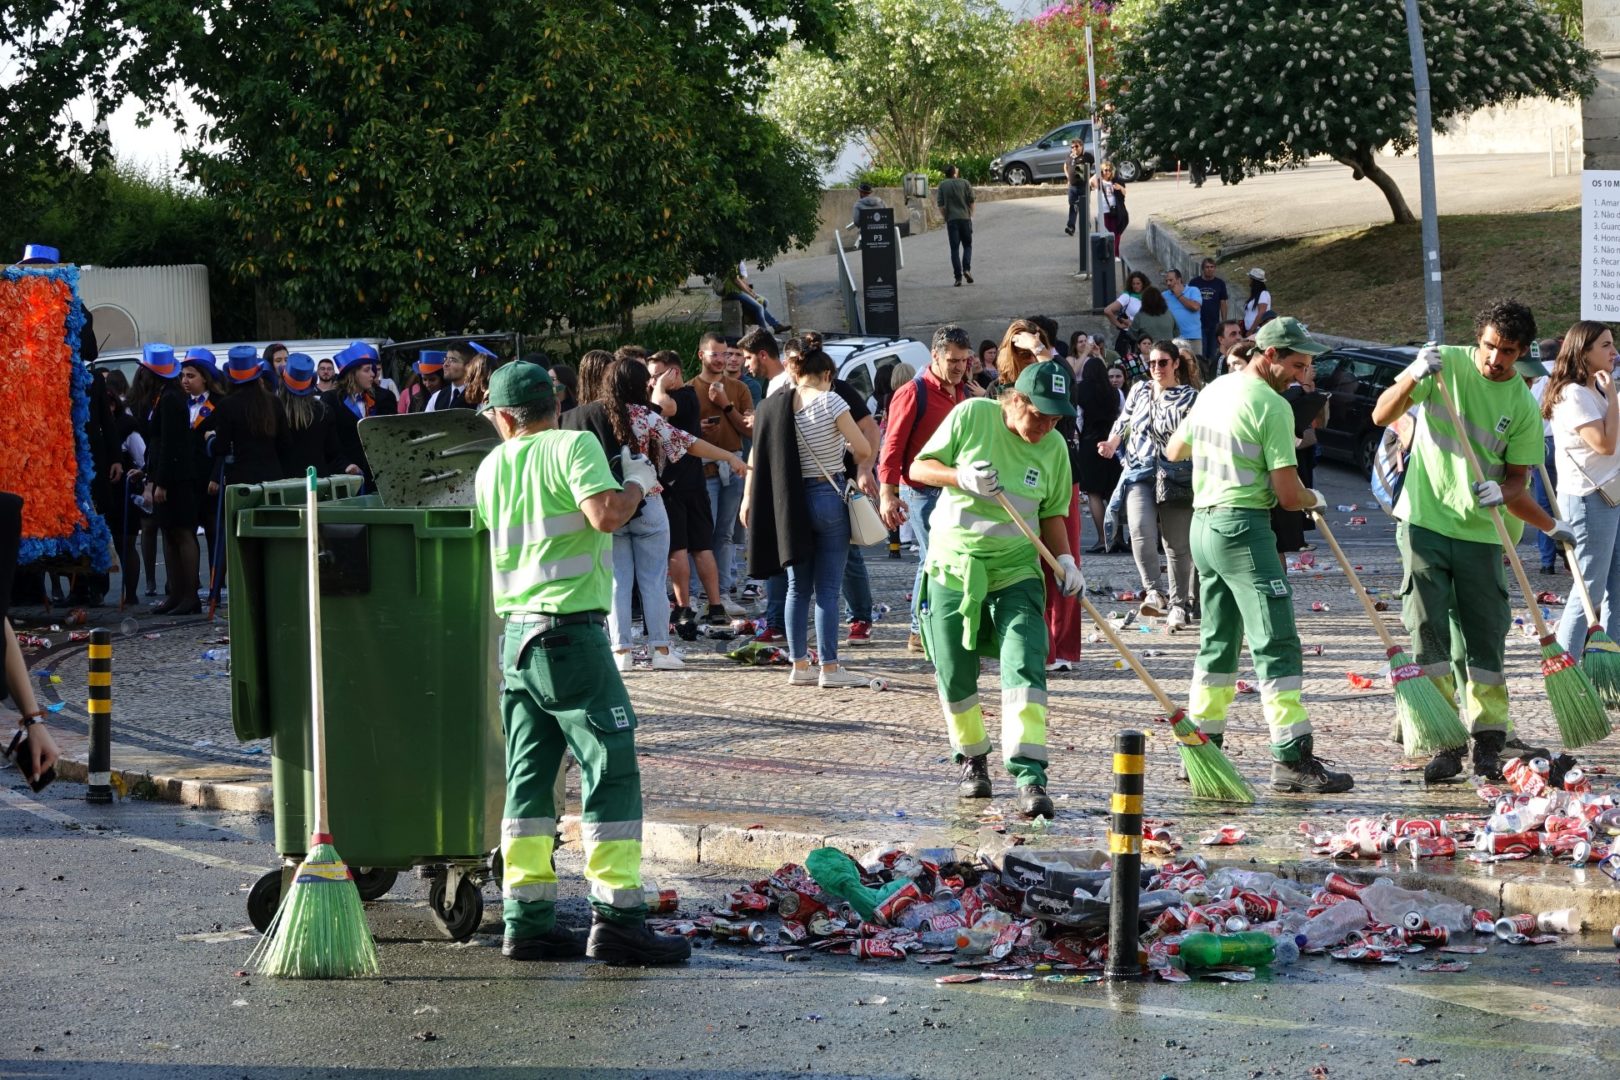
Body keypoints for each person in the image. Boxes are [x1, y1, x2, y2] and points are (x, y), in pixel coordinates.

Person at [472, 361, 689, 966]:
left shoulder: (490, 466)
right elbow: (606, 516)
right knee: (611, 767)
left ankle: (527, 921)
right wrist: (638, 483)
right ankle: (618, 920)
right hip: (569, 635)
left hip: (516, 639)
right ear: (557, 404)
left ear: (504, 417)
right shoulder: (574, 446)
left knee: (528, 778)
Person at [1370, 300, 1565, 782]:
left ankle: (1490, 739)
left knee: (1485, 638)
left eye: (1508, 351)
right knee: (1429, 634)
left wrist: (1505, 492)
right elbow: (1381, 414)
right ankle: (1443, 740)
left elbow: (1518, 479)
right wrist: (1413, 375)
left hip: (1481, 534)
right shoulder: (1445, 365)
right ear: (1478, 339)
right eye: (1490, 346)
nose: (1495, 359)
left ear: (1522, 352)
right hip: (1424, 524)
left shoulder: (1521, 404)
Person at [1165, 316, 1354, 794]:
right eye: (1297, 364)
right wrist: (1313, 498)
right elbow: (1288, 496)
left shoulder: (1215, 390)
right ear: (1269, 355)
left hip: (1204, 527)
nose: (1302, 375)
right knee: (1276, 640)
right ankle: (1292, 758)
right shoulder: (1272, 406)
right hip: (1243, 529)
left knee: (1218, 642)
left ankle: (1201, 752)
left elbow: (1174, 449)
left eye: (1307, 366)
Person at [909, 361, 1082, 818]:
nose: (1047, 427)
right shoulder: (972, 416)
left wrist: (1065, 560)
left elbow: (1053, 513)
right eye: (1040, 416)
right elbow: (920, 467)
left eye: (1056, 419)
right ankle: (972, 759)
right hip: (953, 567)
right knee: (954, 672)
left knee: (1025, 663)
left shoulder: (1054, 448)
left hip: (1016, 572)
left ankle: (1029, 775)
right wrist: (961, 476)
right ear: (1016, 400)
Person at [565, 357, 747, 671]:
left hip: (611, 506)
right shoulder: (643, 415)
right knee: (652, 581)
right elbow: (688, 443)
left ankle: (621, 651)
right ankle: (661, 649)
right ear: (638, 385)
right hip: (648, 502)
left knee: (618, 583)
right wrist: (729, 456)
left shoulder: (585, 415)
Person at [741, 344, 872, 688]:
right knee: (827, 589)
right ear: (827, 374)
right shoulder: (831, 401)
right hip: (828, 496)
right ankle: (829, 667)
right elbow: (863, 449)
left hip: (792, 503)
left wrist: (747, 497)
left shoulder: (775, 405)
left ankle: (799, 665)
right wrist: (843, 447)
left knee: (797, 588)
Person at [879, 324, 976, 653]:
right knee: (933, 558)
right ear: (935, 356)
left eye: (964, 360)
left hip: (955, 489)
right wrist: (887, 494)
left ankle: (938, 625)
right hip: (921, 491)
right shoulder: (912, 392)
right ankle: (918, 629)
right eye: (953, 361)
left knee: (954, 558)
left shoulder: (963, 392)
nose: (959, 367)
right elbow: (892, 447)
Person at [1099, 341, 1200, 629]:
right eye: (1152, 363)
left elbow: (1196, 435)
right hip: (1139, 470)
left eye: (1163, 362)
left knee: (1176, 543)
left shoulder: (1190, 396)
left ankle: (1179, 605)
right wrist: (1111, 444)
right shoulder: (1139, 390)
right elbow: (1123, 421)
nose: (1156, 368)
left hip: (1176, 473)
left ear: (1176, 364)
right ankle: (1155, 592)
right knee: (1139, 530)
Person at [1546, 322, 1620, 656]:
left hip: (1611, 495)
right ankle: (1567, 666)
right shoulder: (1573, 394)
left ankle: (1609, 665)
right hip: (1589, 500)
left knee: (1616, 586)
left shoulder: (1594, 389)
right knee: (1588, 590)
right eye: (1605, 345)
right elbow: (1604, 444)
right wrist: (1614, 396)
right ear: (1583, 351)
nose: (1613, 352)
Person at [645, 350, 728, 633]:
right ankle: (709, 606)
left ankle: (688, 607)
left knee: (685, 547)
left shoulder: (684, 396)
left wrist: (658, 386)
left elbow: (662, 406)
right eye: (651, 376)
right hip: (685, 482)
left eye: (658, 375)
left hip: (679, 484)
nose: (652, 381)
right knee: (693, 547)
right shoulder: (687, 396)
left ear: (674, 373)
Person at [690, 333, 754, 607]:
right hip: (702, 470)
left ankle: (723, 592)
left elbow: (748, 430)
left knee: (725, 534)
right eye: (714, 354)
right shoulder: (688, 389)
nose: (721, 359)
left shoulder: (739, 389)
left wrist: (726, 405)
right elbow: (678, 435)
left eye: (725, 354)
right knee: (702, 532)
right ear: (701, 355)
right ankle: (695, 594)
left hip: (733, 468)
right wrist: (697, 429)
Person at [139, 345, 202, 615]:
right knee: (170, 533)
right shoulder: (164, 397)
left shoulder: (171, 399)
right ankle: (176, 593)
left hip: (176, 479)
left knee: (182, 533)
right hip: (165, 475)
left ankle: (190, 595)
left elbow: (170, 443)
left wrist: (161, 482)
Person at [209, 345, 290, 486]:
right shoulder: (274, 401)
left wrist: (210, 439)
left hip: (242, 479)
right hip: (272, 476)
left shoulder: (226, 405)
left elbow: (222, 447)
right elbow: (285, 443)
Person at [1076, 356, 1124, 554]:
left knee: (1093, 493)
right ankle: (1118, 537)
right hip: (1112, 443)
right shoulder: (1115, 392)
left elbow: (1079, 419)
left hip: (1089, 444)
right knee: (1113, 491)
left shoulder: (1080, 391)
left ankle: (1103, 539)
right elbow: (1122, 416)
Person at [278, 353, 343, 478]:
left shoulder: (275, 412)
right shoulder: (324, 411)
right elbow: (333, 452)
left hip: (285, 482)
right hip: (317, 479)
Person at [1527, 339, 1561, 573]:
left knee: (1544, 504)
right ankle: (1570, 554)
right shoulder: (1564, 377)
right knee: (1568, 501)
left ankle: (1547, 561)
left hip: (1541, 445)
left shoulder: (1534, 380)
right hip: (1564, 442)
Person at [936, 163, 975, 287]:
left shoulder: (943, 185)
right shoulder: (965, 183)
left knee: (954, 249)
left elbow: (940, 205)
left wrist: (946, 217)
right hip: (965, 218)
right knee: (967, 245)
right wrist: (971, 216)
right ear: (954, 173)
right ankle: (966, 269)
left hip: (952, 220)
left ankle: (958, 278)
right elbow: (971, 201)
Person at [1189, 259, 1230, 375]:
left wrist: (1224, 322)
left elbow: (1223, 303)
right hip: (1198, 324)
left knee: (1213, 353)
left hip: (1214, 324)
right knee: (1201, 353)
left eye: (1212, 267)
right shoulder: (1194, 283)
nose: (1210, 269)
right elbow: (1189, 302)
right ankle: (1202, 375)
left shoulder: (1220, 283)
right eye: (1207, 267)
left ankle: (1211, 374)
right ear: (1203, 269)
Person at [428, 341, 494, 411]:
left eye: (452, 360)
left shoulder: (480, 397)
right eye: (446, 359)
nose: (445, 364)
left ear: (468, 366)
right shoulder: (437, 397)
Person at [1163, 269, 1203, 355]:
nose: (1168, 283)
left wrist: (1179, 295)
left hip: (1192, 337)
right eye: (1166, 281)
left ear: (1179, 279)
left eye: (1171, 280)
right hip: (1174, 338)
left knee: (1196, 361)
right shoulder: (1164, 295)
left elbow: (1195, 307)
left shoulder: (1193, 290)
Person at [1090, 161, 1126, 256]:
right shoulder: (1099, 182)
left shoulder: (1114, 181)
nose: (1108, 172)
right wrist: (1098, 172)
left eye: (1110, 170)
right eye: (1106, 170)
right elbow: (1090, 182)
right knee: (1107, 234)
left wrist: (1120, 188)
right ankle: (1108, 253)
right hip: (1104, 211)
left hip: (1115, 210)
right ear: (1102, 171)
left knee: (1116, 233)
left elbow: (1124, 193)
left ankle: (1115, 254)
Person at [1063, 138, 1088, 236]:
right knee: (1073, 206)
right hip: (1072, 187)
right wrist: (1068, 178)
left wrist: (1091, 180)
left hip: (1083, 186)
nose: (1074, 148)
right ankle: (1071, 227)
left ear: (1081, 146)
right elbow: (1065, 166)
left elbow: (1095, 166)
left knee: (1083, 207)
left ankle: (1086, 225)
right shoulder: (1069, 156)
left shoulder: (1086, 156)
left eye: (1076, 146)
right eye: (1072, 147)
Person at [1241, 269, 1271, 334]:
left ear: (1254, 281)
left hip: (1257, 331)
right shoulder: (1255, 295)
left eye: (1250, 279)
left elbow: (1262, 312)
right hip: (1252, 331)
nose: (1249, 280)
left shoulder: (1263, 294)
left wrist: (1252, 330)